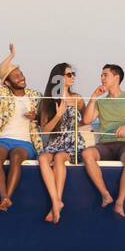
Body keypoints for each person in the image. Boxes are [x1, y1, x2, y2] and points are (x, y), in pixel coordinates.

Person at [0, 43, 43, 211]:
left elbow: (47, 119)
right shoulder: (4, 95)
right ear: (6, 83)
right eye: (16, 76)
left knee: (16, 158)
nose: (21, 77)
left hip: (25, 142)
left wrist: (37, 116)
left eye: (21, 74)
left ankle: (7, 198)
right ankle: (4, 197)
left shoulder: (36, 96)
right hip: (2, 139)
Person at [80, 64, 125, 217]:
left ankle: (120, 202)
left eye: (105, 75)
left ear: (116, 78)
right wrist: (94, 97)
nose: (102, 78)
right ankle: (105, 195)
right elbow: (87, 119)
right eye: (101, 75)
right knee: (87, 154)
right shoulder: (101, 102)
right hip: (105, 144)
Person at [37, 62, 84, 225]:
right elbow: (45, 131)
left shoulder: (77, 98)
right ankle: (56, 201)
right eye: (69, 74)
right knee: (43, 158)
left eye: (73, 74)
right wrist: (58, 115)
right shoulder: (47, 101)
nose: (73, 77)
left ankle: (56, 204)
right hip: (55, 141)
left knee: (58, 159)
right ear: (59, 78)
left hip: (72, 141)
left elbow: (86, 120)